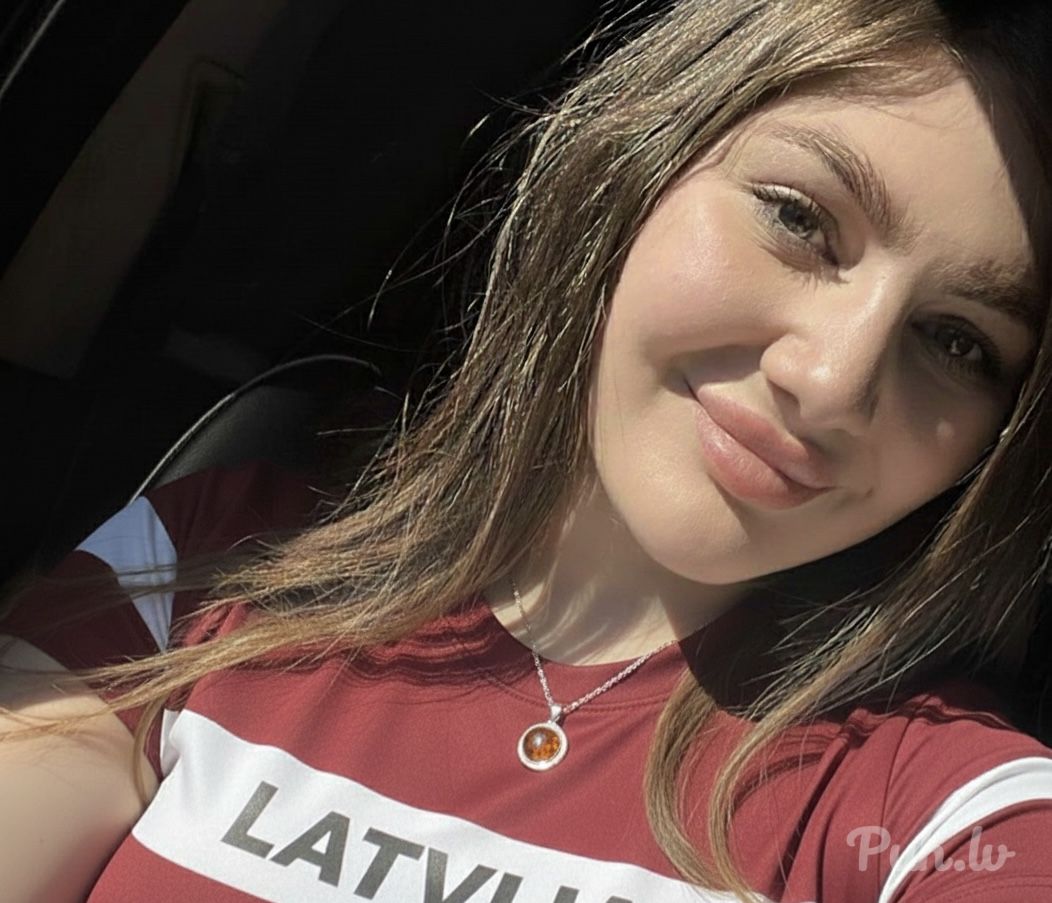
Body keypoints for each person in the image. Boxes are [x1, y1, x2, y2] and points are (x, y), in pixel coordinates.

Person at [2, 1, 1052, 900]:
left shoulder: (926, 802)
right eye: (797, 218)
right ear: (630, 171)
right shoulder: (208, 570)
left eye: (956, 341)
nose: (830, 383)